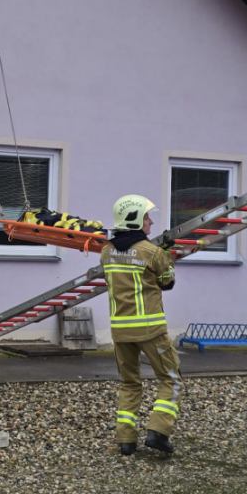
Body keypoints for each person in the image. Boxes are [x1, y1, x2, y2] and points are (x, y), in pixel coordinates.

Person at [101, 194, 181, 457]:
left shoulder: (106, 252)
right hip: (150, 329)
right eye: (147, 217)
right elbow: (167, 282)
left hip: (120, 330)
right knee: (170, 379)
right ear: (135, 219)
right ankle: (158, 431)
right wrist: (166, 254)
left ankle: (126, 440)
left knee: (129, 383)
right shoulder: (151, 252)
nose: (151, 222)